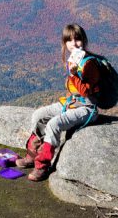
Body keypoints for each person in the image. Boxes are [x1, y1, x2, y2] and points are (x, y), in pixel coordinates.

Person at [16, 23, 101, 181]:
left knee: (54, 124)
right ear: (65, 43)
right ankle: (32, 155)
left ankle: (42, 165)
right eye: (69, 40)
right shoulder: (74, 59)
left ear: (84, 40)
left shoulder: (89, 63)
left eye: (77, 39)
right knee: (38, 115)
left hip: (87, 108)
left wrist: (74, 74)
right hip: (71, 103)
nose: (74, 44)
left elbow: (85, 91)